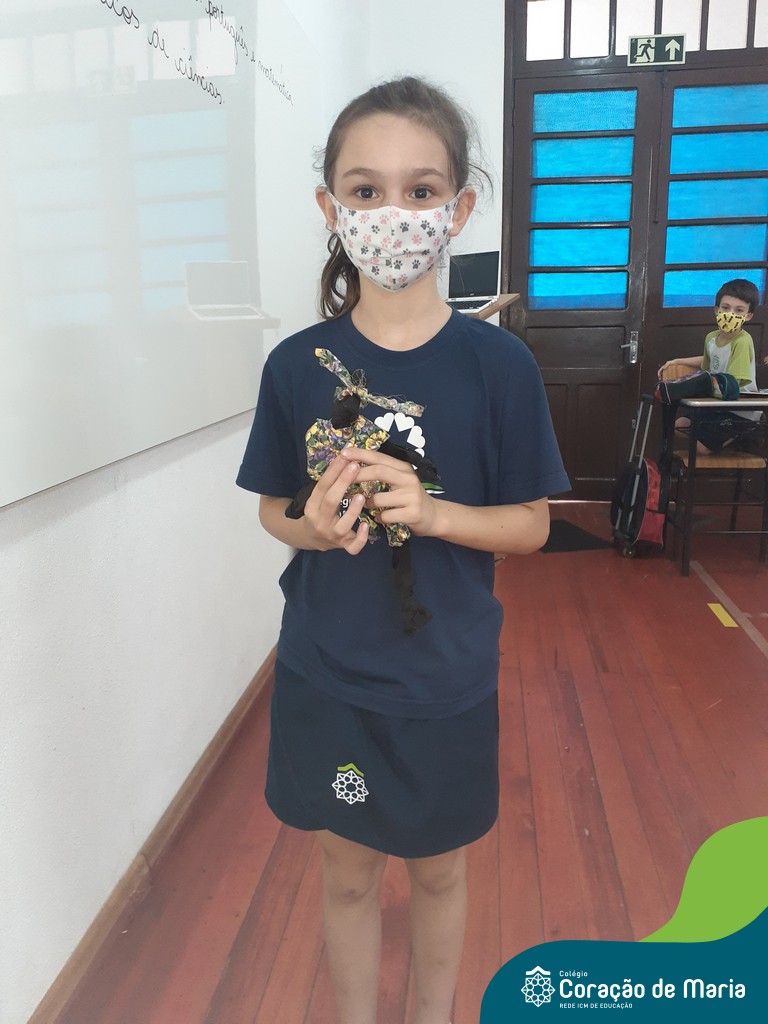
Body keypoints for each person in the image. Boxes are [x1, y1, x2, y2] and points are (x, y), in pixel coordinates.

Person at [236, 76, 569, 1024]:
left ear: (458, 209)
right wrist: (311, 527)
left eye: (420, 191)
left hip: (445, 682)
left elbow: (533, 525)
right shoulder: (295, 366)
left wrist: (430, 513)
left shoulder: (499, 366)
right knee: (346, 873)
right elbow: (273, 511)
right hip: (329, 680)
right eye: (366, 190)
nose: (393, 214)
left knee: (438, 871)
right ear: (330, 208)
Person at [658, 279, 762, 453]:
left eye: (739, 310)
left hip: (739, 409)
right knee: (679, 426)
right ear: (716, 309)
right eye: (726, 308)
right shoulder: (711, 338)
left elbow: (733, 381)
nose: (730, 314)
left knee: (702, 448)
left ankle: (745, 433)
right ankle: (719, 437)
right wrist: (678, 361)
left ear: (748, 315)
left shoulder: (743, 341)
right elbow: (710, 361)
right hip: (717, 405)